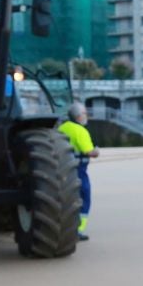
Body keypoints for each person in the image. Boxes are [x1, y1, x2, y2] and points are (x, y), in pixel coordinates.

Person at [58, 101, 99, 240]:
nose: (86, 116)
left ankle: (64, 228)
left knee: (66, 200)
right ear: (78, 116)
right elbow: (89, 152)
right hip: (79, 171)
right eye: (84, 114)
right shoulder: (80, 131)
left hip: (62, 170)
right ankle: (78, 230)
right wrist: (96, 151)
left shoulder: (62, 128)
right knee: (84, 199)